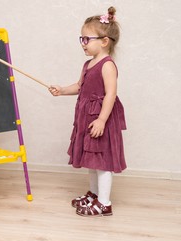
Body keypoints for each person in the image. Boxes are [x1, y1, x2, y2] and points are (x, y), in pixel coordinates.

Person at [49, 7, 126, 217]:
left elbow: (111, 94)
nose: (83, 43)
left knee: (102, 162)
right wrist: (62, 90)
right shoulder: (87, 64)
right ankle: (93, 194)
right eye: (81, 39)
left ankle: (104, 203)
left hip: (99, 120)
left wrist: (102, 119)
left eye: (86, 39)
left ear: (104, 41)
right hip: (87, 119)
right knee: (92, 160)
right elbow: (80, 86)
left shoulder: (107, 65)